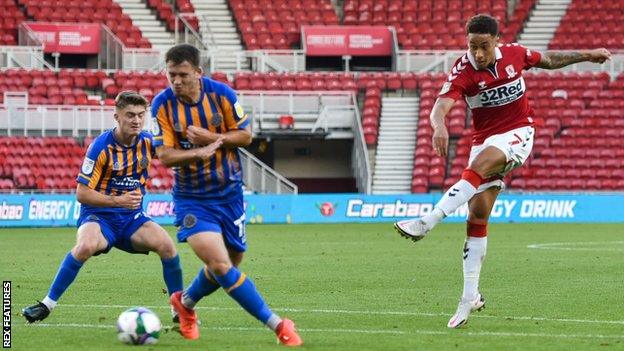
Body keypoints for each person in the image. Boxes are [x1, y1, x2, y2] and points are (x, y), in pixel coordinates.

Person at [394, 14, 611, 328]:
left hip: (519, 132)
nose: (478, 53)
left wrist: (588, 55)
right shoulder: (463, 70)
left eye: (483, 46)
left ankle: (428, 221)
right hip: (483, 140)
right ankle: (469, 296)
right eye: (473, 46)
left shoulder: (515, 54)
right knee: (477, 216)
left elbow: (549, 60)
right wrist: (438, 125)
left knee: (480, 167)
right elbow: (440, 106)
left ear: (495, 41)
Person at [151, 44, 302, 346]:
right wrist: (198, 152)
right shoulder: (162, 105)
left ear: (198, 72)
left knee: (232, 262)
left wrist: (213, 139)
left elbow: (246, 136)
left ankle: (186, 303)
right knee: (221, 266)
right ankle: (278, 325)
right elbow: (165, 156)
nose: (176, 81)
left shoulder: (222, 95)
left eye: (182, 75)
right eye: (171, 75)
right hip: (192, 199)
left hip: (230, 194)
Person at [22, 91, 195, 323]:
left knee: (167, 246)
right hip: (99, 217)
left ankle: (179, 311)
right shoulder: (100, 147)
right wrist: (117, 201)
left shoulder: (147, 142)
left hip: (132, 219)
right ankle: (47, 304)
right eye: (130, 115)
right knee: (85, 246)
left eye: (141, 115)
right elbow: (81, 193)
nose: (136, 120)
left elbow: (171, 155)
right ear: (117, 116)